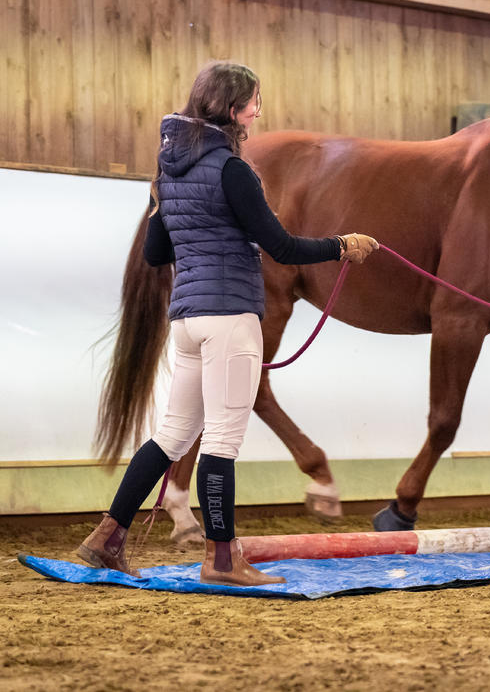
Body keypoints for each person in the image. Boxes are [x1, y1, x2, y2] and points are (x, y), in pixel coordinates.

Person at [77, 61, 378, 586]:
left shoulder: (168, 171)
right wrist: (341, 246)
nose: (259, 111)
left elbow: (154, 254)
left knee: (172, 436)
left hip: (188, 321)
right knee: (222, 440)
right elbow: (279, 245)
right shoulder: (233, 170)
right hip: (230, 319)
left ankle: (107, 535)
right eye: (254, 102)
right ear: (233, 109)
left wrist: (159, 211)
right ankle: (222, 559)